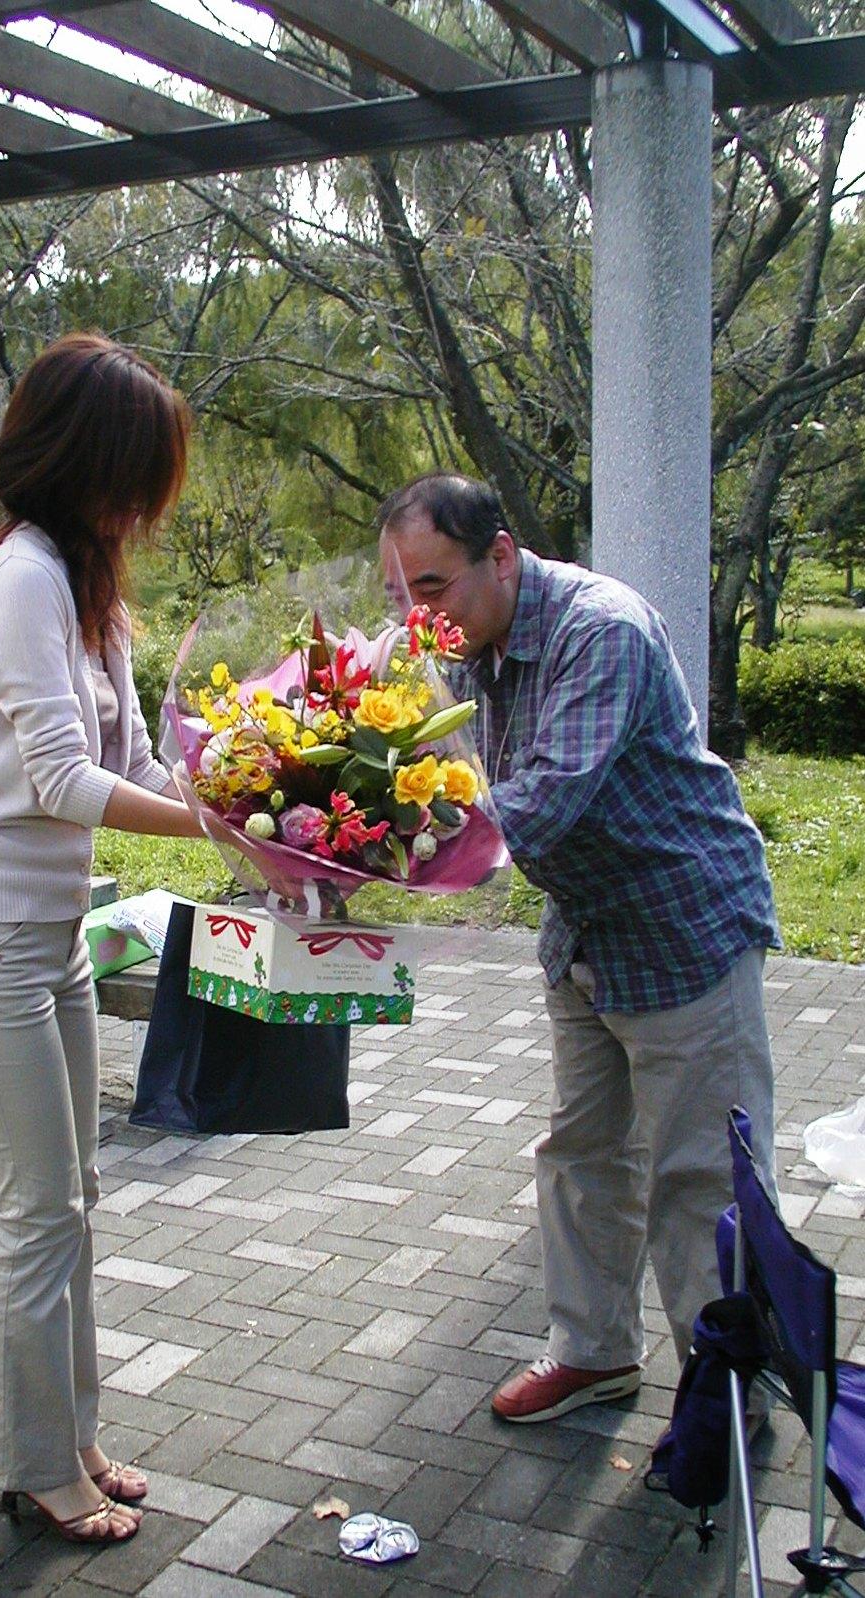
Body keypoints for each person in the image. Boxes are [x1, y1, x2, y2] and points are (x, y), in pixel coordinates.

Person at [379, 472, 780, 1427]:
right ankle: (593, 1352)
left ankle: (725, 1401)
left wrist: (381, 843)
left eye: (431, 589)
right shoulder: (461, 643)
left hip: (684, 927)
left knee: (701, 1179)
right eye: (397, 596)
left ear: (501, 556)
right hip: (586, 930)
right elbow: (429, 760)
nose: (416, 618)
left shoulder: (602, 631)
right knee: (584, 1153)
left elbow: (545, 799)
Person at [0, 334, 207, 1545]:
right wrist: (213, 827)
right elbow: (61, 781)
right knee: (36, 1207)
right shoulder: (23, 577)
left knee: (71, 1197)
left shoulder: (90, 592)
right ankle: (32, 1464)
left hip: (51, 938)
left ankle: (63, 1435)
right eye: (132, 473)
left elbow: (131, 759)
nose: (142, 503)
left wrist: (261, 800)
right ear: (77, 458)